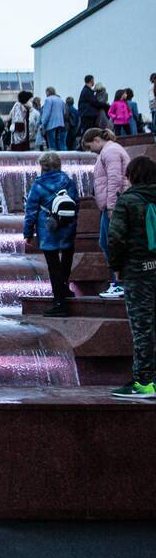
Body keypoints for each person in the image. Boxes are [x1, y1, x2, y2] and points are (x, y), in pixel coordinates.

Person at [107, 155, 156, 398]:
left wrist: (115, 267)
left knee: (143, 327)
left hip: (138, 271)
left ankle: (145, 382)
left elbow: (115, 238)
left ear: (132, 176)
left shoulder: (128, 201)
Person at [23, 152, 78, 318]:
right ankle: (64, 289)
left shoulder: (39, 185)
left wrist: (28, 233)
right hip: (67, 226)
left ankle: (60, 303)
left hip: (48, 229)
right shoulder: (68, 181)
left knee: (53, 265)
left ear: (43, 167)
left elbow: (31, 210)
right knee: (66, 259)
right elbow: (76, 202)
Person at [85, 127, 130, 299]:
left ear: (97, 139)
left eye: (90, 147)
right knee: (107, 243)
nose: (91, 151)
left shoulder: (110, 151)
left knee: (111, 244)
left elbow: (115, 180)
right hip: (111, 206)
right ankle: (118, 283)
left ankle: (119, 284)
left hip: (114, 206)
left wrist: (112, 206)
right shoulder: (110, 150)